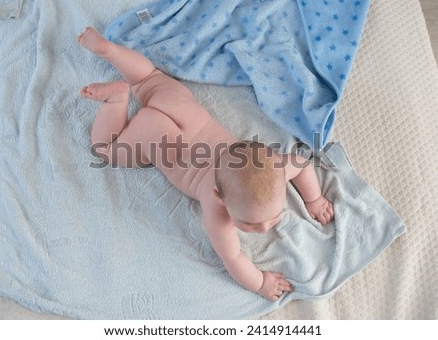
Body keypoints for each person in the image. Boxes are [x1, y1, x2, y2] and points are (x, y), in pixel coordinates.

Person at [77, 27, 334, 301]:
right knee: (106, 149)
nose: (264, 228)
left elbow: (303, 165)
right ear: (218, 196)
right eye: (248, 223)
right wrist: (260, 283)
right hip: (153, 134)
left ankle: (110, 52)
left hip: (176, 106)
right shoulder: (217, 211)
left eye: (274, 216)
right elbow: (233, 258)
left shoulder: (276, 170)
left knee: (148, 78)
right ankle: (116, 99)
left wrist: (315, 199)